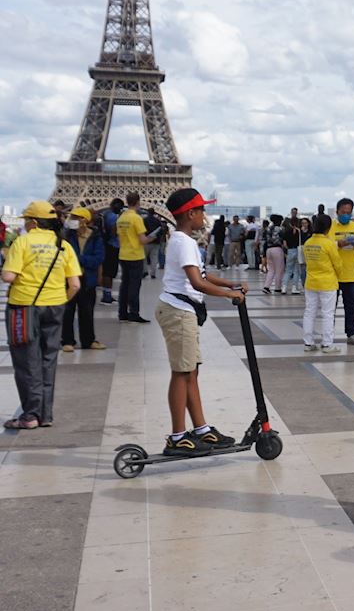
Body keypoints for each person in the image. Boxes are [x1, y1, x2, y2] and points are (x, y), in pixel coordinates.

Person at [156, 188, 246, 457]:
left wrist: (231, 283)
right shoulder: (183, 242)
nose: (205, 215)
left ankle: (200, 429)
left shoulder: (185, 241)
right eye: (202, 210)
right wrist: (230, 294)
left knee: (190, 372)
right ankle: (177, 437)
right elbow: (197, 283)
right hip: (178, 311)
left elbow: (204, 275)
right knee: (182, 373)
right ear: (190, 213)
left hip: (183, 310)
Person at [3, 201, 82, 430]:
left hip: (24, 308)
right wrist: (58, 299)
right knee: (48, 360)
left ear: (33, 222)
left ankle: (30, 415)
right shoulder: (63, 245)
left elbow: (8, 276)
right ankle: (45, 414)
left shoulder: (23, 242)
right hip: (55, 306)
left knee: (26, 361)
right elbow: (75, 284)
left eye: (26, 220)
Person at [60, 207, 105, 353]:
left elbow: (98, 258)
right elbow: (63, 257)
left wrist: (78, 259)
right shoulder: (67, 236)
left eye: (75, 218)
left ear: (84, 221)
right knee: (68, 311)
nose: (72, 220)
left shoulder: (96, 237)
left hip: (87, 278)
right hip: (70, 277)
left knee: (87, 311)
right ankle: (67, 341)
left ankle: (88, 340)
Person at [117, 191, 161, 324]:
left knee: (124, 285)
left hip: (123, 254)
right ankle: (134, 313)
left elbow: (120, 238)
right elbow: (142, 240)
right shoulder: (136, 218)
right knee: (134, 286)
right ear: (137, 202)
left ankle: (122, 313)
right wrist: (152, 237)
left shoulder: (121, 218)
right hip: (135, 255)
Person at [329, 198, 354, 345]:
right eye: (343, 212)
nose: (346, 215)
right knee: (330, 306)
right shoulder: (330, 227)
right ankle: (328, 334)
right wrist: (338, 244)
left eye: (348, 212)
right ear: (337, 211)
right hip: (332, 273)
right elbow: (324, 245)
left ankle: (351, 333)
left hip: (350, 273)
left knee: (350, 305)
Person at [302, 213, 343, 353]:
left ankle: (308, 343)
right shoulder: (329, 244)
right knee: (328, 313)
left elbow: (306, 262)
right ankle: (327, 344)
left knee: (309, 312)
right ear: (328, 228)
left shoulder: (307, 243)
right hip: (327, 283)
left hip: (310, 282)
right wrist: (338, 275)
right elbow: (337, 264)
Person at [100, 197, 124, 303]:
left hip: (107, 245)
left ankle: (107, 294)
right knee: (110, 272)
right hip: (112, 246)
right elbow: (114, 231)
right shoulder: (114, 217)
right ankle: (107, 296)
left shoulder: (106, 214)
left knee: (107, 272)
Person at [262, 214, 286, 294]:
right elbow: (283, 238)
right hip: (277, 249)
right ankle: (277, 288)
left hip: (269, 250)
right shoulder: (279, 229)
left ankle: (266, 286)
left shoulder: (269, 228)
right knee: (279, 269)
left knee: (271, 269)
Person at [282, 214, 303, 294]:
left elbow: (284, 244)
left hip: (290, 251)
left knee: (288, 271)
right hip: (298, 251)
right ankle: (294, 288)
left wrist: (288, 249)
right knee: (296, 271)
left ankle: (284, 287)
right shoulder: (299, 231)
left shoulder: (286, 232)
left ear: (290, 223)